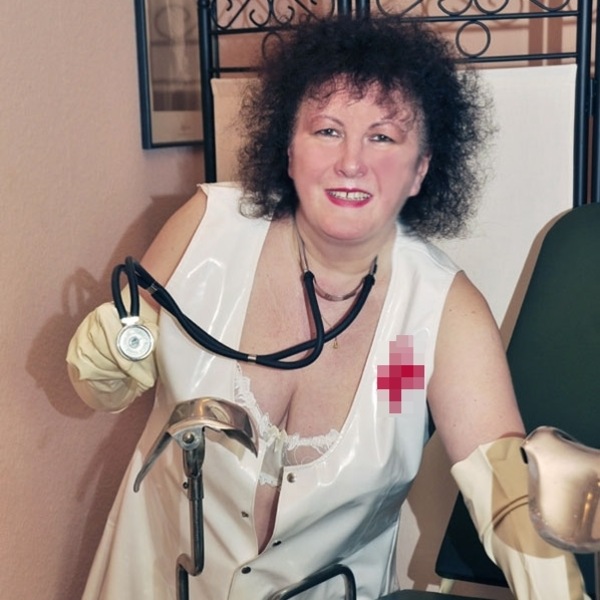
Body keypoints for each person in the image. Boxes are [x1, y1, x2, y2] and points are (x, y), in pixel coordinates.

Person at [67, 14, 589, 600]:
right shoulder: (205, 231)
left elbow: (505, 490)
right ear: (289, 149)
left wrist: (557, 583)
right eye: (327, 130)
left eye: (383, 137)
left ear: (420, 169)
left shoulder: (440, 311)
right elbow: (103, 385)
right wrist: (106, 358)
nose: (351, 162)